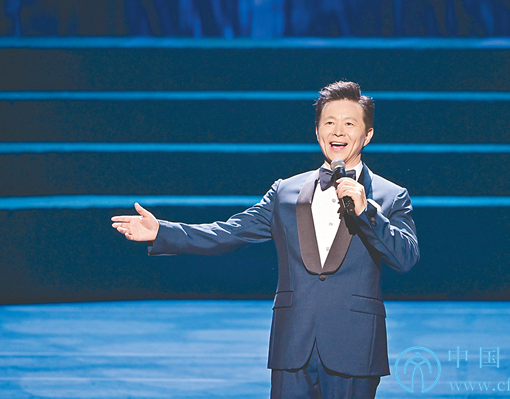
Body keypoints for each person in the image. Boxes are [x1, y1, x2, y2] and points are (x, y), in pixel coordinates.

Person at [111, 80, 419, 398]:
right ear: (317, 132)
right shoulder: (285, 191)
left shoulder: (391, 196)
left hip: (354, 346)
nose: (338, 131)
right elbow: (230, 231)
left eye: (349, 123)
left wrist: (367, 212)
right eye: (329, 122)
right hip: (293, 345)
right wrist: (163, 232)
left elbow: (406, 258)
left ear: (367, 134)